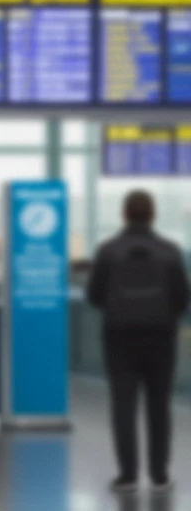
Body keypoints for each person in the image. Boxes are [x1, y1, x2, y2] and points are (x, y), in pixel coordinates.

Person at [87, 189, 190, 493]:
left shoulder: (109, 250)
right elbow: (183, 298)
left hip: (119, 338)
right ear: (152, 215)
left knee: (123, 406)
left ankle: (128, 475)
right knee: (159, 406)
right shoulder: (170, 251)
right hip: (161, 338)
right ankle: (159, 474)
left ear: (125, 214)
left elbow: (94, 295)